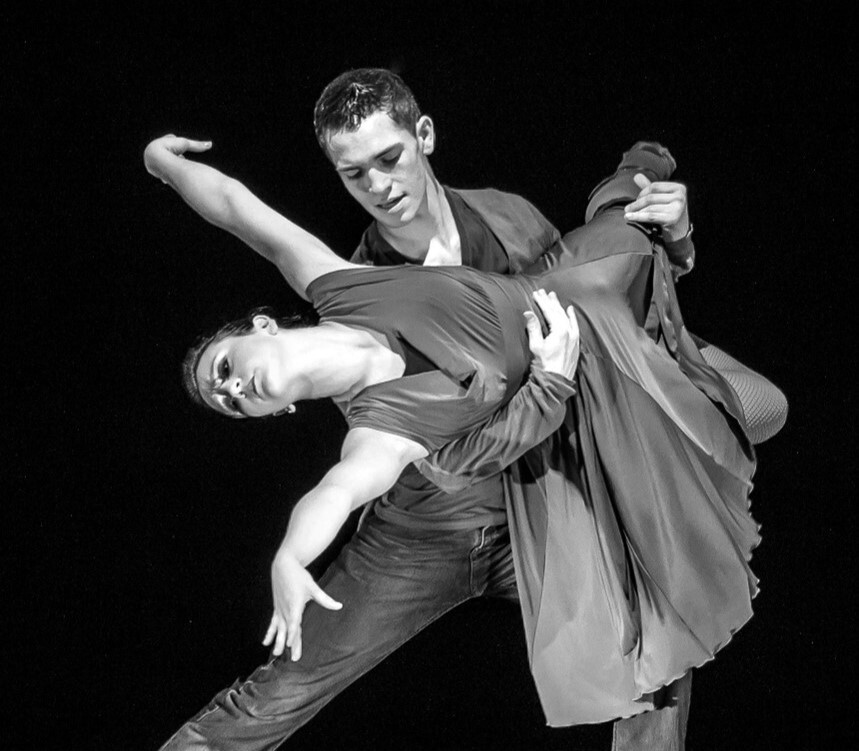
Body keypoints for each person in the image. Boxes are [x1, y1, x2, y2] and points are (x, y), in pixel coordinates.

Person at [144, 107, 760, 750]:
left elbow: (236, 207)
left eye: (223, 370)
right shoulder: (378, 429)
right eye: (232, 405)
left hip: (540, 490)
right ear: (278, 413)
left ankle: (644, 196)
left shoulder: (344, 281)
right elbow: (338, 490)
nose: (232, 389)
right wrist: (291, 556)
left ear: (259, 327)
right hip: (423, 536)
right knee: (277, 691)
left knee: (656, 616)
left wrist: (161, 163)